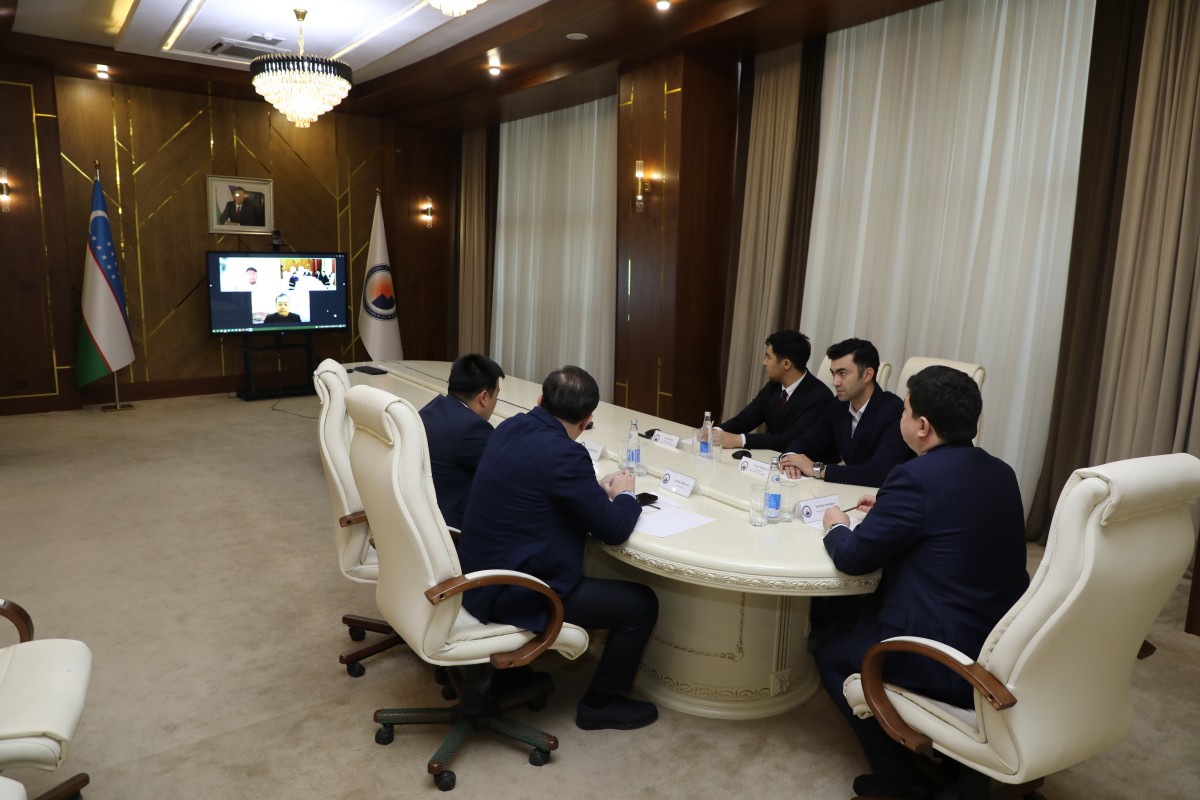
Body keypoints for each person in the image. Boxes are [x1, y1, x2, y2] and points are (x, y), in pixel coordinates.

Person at [813, 366, 1029, 799]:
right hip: (1001, 641)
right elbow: (955, 518)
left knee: (829, 653)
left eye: (905, 410)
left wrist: (836, 525)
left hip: (943, 654)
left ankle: (901, 780)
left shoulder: (914, 477)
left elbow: (853, 559)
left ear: (923, 426)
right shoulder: (1001, 471)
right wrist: (891, 505)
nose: (902, 417)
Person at [458, 365, 659, 731]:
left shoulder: (509, 427)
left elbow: (539, 487)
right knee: (641, 604)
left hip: (474, 577)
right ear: (587, 420)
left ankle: (511, 677)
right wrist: (625, 495)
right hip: (515, 592)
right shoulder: (565, 454)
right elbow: (614, 530)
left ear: (539, 400)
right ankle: (601, 704)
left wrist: (592, 491)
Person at [779, 338, 913, 488]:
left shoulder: (894, 411)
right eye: (833, 374)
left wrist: (817, 470)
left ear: (867, 375)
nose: (835, 382)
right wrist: (790, 458)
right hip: (850, 490)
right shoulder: (839, 405)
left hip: (885, 495)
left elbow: (879, 473)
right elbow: (809, 440)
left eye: (843, 373)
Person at [418, 354, 505, 530]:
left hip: (421, 519)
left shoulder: (430, 409)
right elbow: (507, 475)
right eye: (496, 395)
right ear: (484, 397)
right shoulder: (473, 429)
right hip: (450, 532)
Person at [712, 330, 833, 451]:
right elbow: (746, 418)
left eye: (768, 357)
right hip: (773, 457)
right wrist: (715, 431)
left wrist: (740, 440)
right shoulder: (774, 386)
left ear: (786, 364)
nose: (764, 362)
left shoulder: (820, 397)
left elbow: (792, 439)